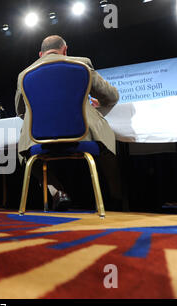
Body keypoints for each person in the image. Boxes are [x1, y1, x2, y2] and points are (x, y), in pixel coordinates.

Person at [15, 35, 122, 211]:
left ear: (41, 54)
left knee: (27, 154)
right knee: (107, 148)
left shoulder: (24, 75)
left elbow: (20, 111)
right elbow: (111, 96)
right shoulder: (81, 64)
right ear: (65, 50)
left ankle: (57, 192)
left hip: (38, 138)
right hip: (83, 134)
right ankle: (116, 199)